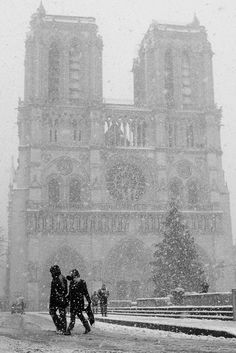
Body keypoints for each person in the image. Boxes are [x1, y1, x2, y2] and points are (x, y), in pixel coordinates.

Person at [66, 269, 91, 335]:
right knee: (75, 316)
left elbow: (86, 292)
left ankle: (69, 329)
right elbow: (70, 294)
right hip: (73, 302)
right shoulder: (71, 283)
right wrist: (66, 299)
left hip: (79, 302)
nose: (71, 276)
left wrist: (89, 300)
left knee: (78, 315)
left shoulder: (82, 282)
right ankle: (87, 327)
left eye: (73, 275)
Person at [49, 265, 68, 334]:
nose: (51, 273)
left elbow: (64, 290)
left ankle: (61, 328)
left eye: (52, 272)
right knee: (60, 313)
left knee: (58, 313)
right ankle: (61, 327)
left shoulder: (59, 278)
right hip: (58, 298)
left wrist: (59, 295)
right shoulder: (60, 277)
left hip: (58, 299)